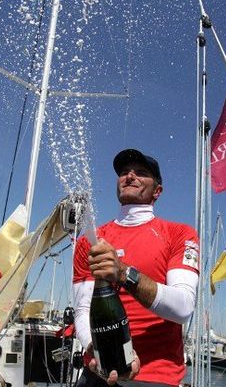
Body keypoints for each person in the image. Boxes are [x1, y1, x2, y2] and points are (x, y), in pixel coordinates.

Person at [72, 149, 200, 387]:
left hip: (155, 376)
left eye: (141, 173)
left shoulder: (179, 234)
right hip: (97, 369)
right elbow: (82, 309)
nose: (129, 176)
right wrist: (96, 348)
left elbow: (183, 307)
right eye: (123, 172)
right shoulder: (89, 240)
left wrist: (123, 273)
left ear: (157, 191)